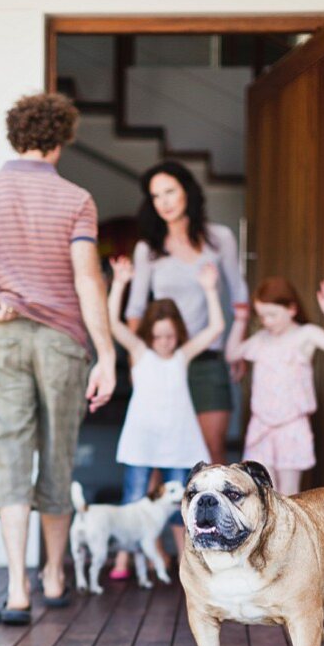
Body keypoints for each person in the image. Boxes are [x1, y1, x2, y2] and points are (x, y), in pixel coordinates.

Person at [0, 92, 116, 625]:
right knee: (57, 455)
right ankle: (54, 574)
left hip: (5, 337)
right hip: (61, 343)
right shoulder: (76, 198)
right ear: (60, 141)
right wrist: (106, 355)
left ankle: (17, 589)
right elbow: (86, 279)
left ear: (16, 137)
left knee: (10, 457)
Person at [124, 160, 250, 464]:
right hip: (164, 361)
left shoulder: (219, 239)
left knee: (213, 450)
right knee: (158, 454)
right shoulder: (148, 249)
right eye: (156, 196)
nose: (164, 202)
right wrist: (136, 363)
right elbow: (136, 311)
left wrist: (236, 346)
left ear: (187, 192)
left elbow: (239, 294)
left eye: (170, 191)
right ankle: (166, 513)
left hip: (208, 358)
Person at [108, 256, 224, 559]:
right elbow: (112, 324)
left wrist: (210, 290)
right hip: (142, 438)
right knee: (133, 498)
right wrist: (119, 283)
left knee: (181, 501)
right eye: (158, 336)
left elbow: (216, 327)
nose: (164, 342)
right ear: (149, 334)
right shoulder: (139, 351)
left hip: (177, 439)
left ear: (179, 334)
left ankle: (186, 560)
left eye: (170, 336)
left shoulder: (181, 355)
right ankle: (123, 559)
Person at [226, 277, 324, 495]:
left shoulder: (305, 334)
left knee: (288, 495)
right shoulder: (261, 338)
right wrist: (240, 321)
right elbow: (232, 353)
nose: (266, 321)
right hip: (262, 426)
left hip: (291, 426)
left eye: (272, 315)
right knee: (262, 493)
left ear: (291, 309)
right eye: (262, 315)